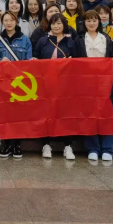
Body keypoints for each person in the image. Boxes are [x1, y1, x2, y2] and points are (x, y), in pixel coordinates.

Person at [34, 13, 78, 160]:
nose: (56, 26)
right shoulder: (43, 41)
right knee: (47, 114)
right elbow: (36, 56)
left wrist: (71, 61)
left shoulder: (71, 41)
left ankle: (68, 145)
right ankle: (46, 144)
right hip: (46, 84)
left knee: (66, 114)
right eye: (53, 23)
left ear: (64, 25)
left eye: (59, 23)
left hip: (66, 85)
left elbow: (79, 61)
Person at [75, 10, 113, 162]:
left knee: (106, 115)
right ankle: (92, 148)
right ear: (84, 23)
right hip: (86, 82)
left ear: (99, 22)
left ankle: (108, 148)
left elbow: (111, 56)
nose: (91, 23)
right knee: (89, 115)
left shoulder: (106, 38)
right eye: (88, 21)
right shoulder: (79, 39)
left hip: (105, 82)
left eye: (94, 20)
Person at [0, 12, 33, 160]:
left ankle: (17, 144)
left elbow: (29, 61)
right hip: (3, 82)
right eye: (6, 20)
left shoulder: (25, 39)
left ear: (16, 21)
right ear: (2, 23)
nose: (9, 23)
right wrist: (0, 60)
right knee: (5, 113)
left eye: (12, 20)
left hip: (20, 82)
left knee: (19, 115)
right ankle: (6, 143)